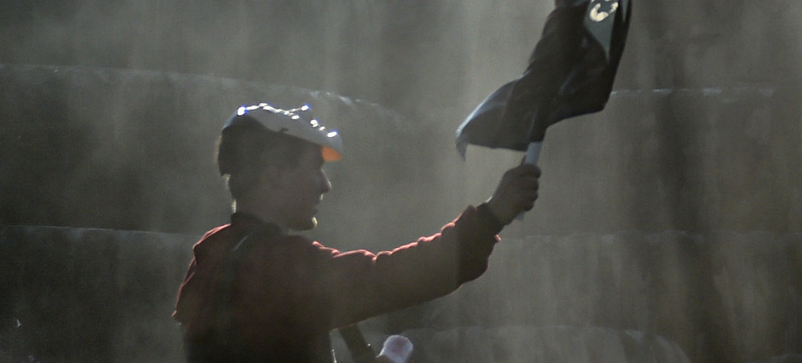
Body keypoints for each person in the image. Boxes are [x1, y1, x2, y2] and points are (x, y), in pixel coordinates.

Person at [174, 102, 538, 362]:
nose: (325, 185)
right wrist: (492, 216)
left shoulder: (214, 252)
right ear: (274, 175)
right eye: (315, 168)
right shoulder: (282, 267)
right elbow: (390, 278)